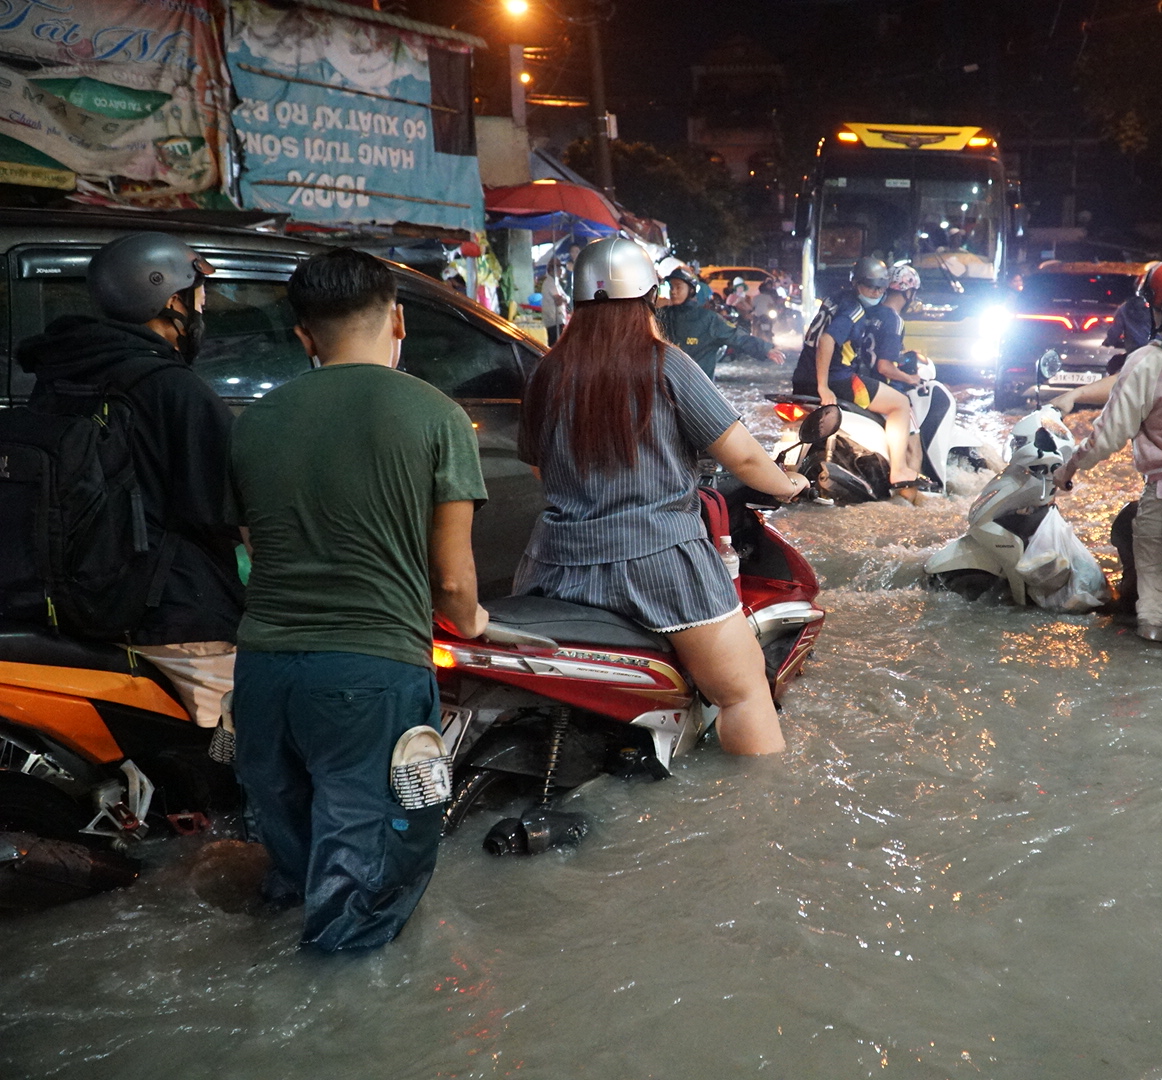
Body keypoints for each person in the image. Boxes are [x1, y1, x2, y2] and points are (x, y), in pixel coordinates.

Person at [227, 248, 489, 950]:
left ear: (304, 336)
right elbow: (454, 580)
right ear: (399, 320)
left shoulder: (255, 421)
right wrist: (472, 621)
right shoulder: (435, 415)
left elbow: (253, 543)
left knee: (291, 870)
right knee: (358, 897)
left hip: (261, 676)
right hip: (370, 680)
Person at [513, 238, 805, 755]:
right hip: (659, 563)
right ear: (650, 299)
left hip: (553, 565)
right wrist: (791, 484)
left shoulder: (546, 372)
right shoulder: (667, 366)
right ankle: (762, 817)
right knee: (742, 693)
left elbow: (541, 467)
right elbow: (745, 459)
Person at [15, 233, 243, 726]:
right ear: (170, 300)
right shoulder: (173, 389)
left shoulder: (59, 376)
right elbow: (228, 507)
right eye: (197, 296)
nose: (202, 308)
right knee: (243, 761)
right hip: (178, 621)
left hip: (71, 606)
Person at [1053, 259, 1162, 642]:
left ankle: (1151, 673)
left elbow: (1106, 437)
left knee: (1155, 606)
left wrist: (1069, 468)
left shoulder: (1149, 361)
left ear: (1158, 309)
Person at [790, 256, 921, 499]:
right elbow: (827, 340)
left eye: (880, 287)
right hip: (837, 379)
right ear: (856, 283)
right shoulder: (855, 309)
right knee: (900, 404)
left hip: (801, 377)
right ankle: (900, 470)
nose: (875, 292)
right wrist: (824, 387)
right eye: (870, 286)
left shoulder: (834, 299)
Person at [657, 266, 784, 379]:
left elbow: (737, 336)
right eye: (671, 287)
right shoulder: (661, 316)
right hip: (666, 390)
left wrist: (765, 349)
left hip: (697, 391)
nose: (673, 291)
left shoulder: (708, 319)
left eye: (678, 287)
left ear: (691, 290)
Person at [540, 257, 569, 347]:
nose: (561, 270)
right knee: (556, 346)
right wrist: (564, 299)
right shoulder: (550, 282)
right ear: (553, 270)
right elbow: (559, 300)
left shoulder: (555, 283)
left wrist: (564, 299)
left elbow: (565, 299)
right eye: (559, 268)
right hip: (554, 321)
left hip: (557, 320)